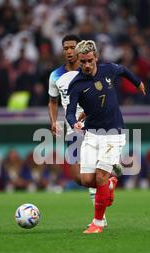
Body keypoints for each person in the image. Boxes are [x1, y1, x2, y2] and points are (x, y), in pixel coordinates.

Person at [66, 40, 146, 234]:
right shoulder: (76, 84)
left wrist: (138, 83)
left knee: (100, 176)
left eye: (90, 61)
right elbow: (69, 111)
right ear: (78, 60)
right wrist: (73, 122)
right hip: (92, 134)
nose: (86, 65)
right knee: (86, 180)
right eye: (83, 61)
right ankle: (110, 183)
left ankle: (98, 223)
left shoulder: (108, 70)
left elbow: (124, 70)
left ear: (96, 58)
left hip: (113, 133)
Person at [48, 35, 106, 223]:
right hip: (71, 128)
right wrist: (53, 121)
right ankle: (109, 180)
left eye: (72, 47)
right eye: (66, 48)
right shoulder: (55, 76)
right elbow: (52, 101)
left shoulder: (90, 71)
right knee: (78, 177)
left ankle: (100, 218)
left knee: (89, 172)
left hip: (91, 125)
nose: (69, 51)